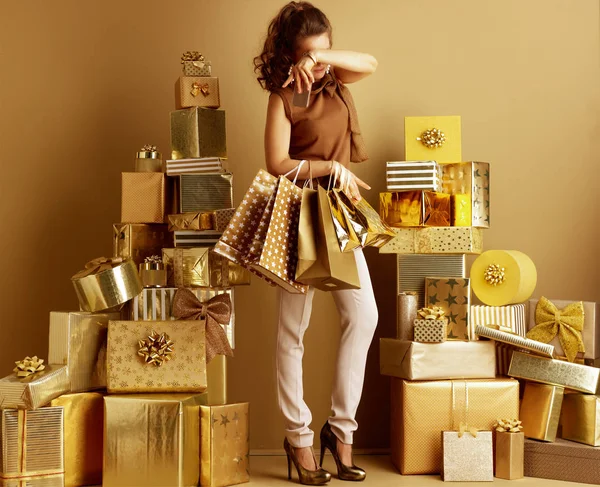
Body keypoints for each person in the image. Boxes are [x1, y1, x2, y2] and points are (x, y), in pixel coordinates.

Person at [254, 1, 379, 484]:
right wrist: (331, 168)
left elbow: (369, 62)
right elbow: (276, 163)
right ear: (289, 54)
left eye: (325, 51)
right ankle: (299, 438)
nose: (320, 62)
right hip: (298, 210)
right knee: (293, 330)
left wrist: (322, 58)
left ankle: (340, 431)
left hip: (340, 212)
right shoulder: (283, 96)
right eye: (308, 53)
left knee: (362, 315)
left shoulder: (337, 81)